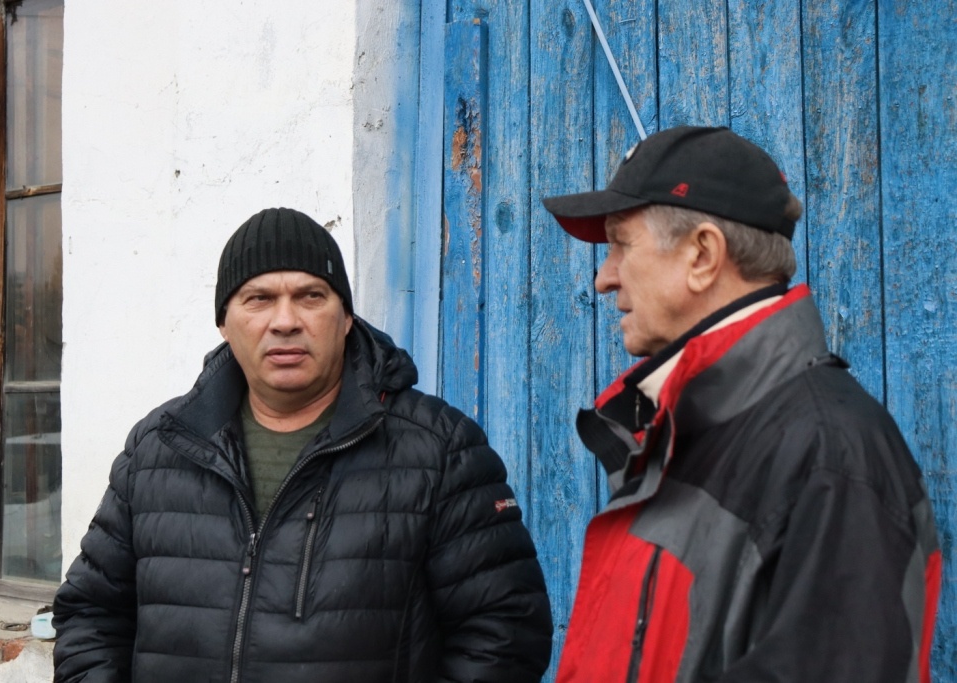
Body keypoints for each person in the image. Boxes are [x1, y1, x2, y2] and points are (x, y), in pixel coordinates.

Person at [52, 207, 553, 682]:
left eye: (311, 296)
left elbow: (505, 632)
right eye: (259, 299)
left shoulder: (439, 449)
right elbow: (90, 613)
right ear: (224, 324)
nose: (285, 320)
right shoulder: (160, 447)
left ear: (346, 318)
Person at [542, 125, 941, 682]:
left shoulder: (830, 453)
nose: (605, 278)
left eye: (621, 245)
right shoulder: (693, 427)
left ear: (703, 255)